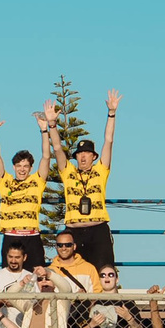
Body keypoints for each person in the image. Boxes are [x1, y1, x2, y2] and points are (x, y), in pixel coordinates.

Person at [42, 92, 120, 272]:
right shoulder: (68, 172)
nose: (83, 157)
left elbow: (108, 141)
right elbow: (57, 148)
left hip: (98, 228)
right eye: (79, 153)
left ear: (94, 156)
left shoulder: (101, 171)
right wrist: (52, 124)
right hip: (74, 231)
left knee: (104, 271)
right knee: (72, 273)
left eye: (87, 153)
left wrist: (112, 113)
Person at [0, 108, 50, 269]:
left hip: (32, 236)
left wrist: (44, 130)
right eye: (19, 166)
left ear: (30, 168)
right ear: (14, 167)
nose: (22, 169)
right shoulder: (4, 181)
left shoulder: (37, 181)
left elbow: (46, 157)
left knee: (38, 277)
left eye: (26, 166)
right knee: (8, 278)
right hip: (11, 236)